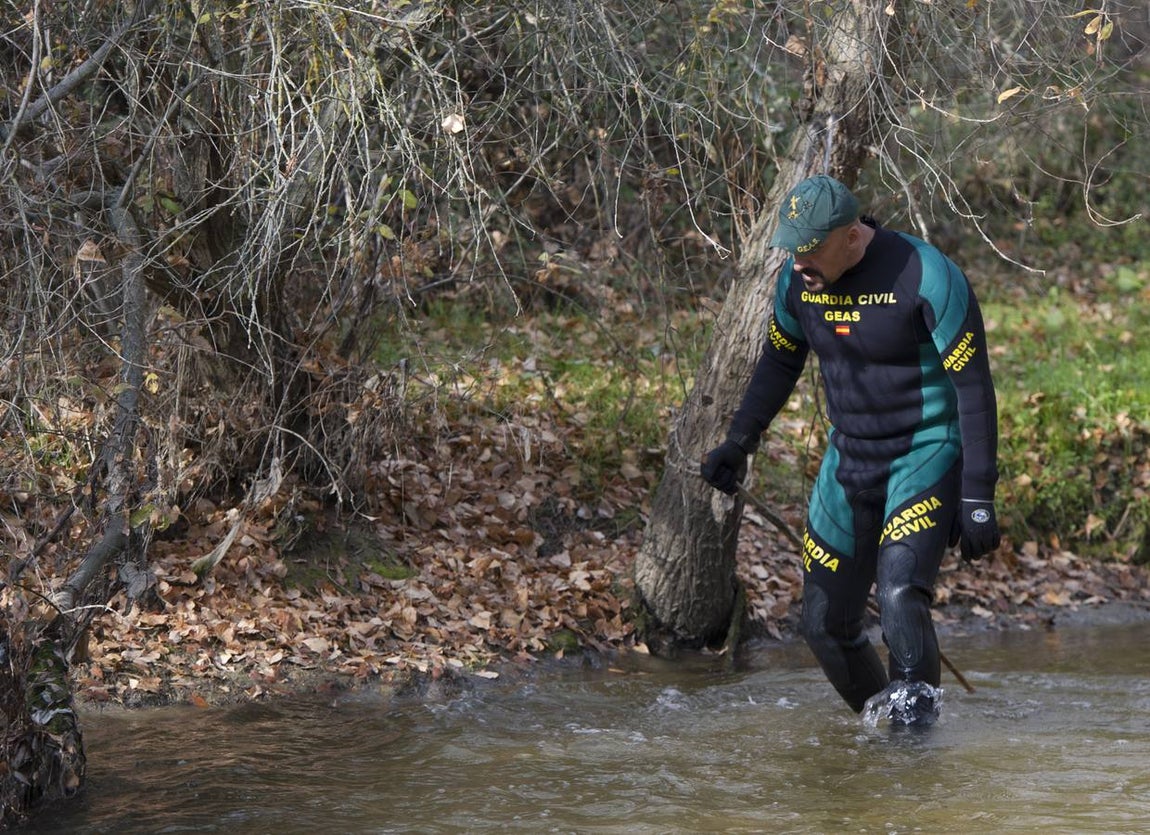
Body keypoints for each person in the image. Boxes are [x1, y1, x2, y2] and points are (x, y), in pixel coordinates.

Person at [701, 174, 1001, 726]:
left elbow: (974, 389)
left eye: (809, 250)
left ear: (852, 236)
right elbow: (780, 361)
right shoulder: (798, 283)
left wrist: (978, 495)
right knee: (823, 625)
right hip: (849, 460)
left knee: (899, 595)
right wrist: (739, 442)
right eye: (791, 250)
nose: (797, 264)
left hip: (925, 450)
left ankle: (913, 760)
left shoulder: (925, 274)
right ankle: (887, 732)